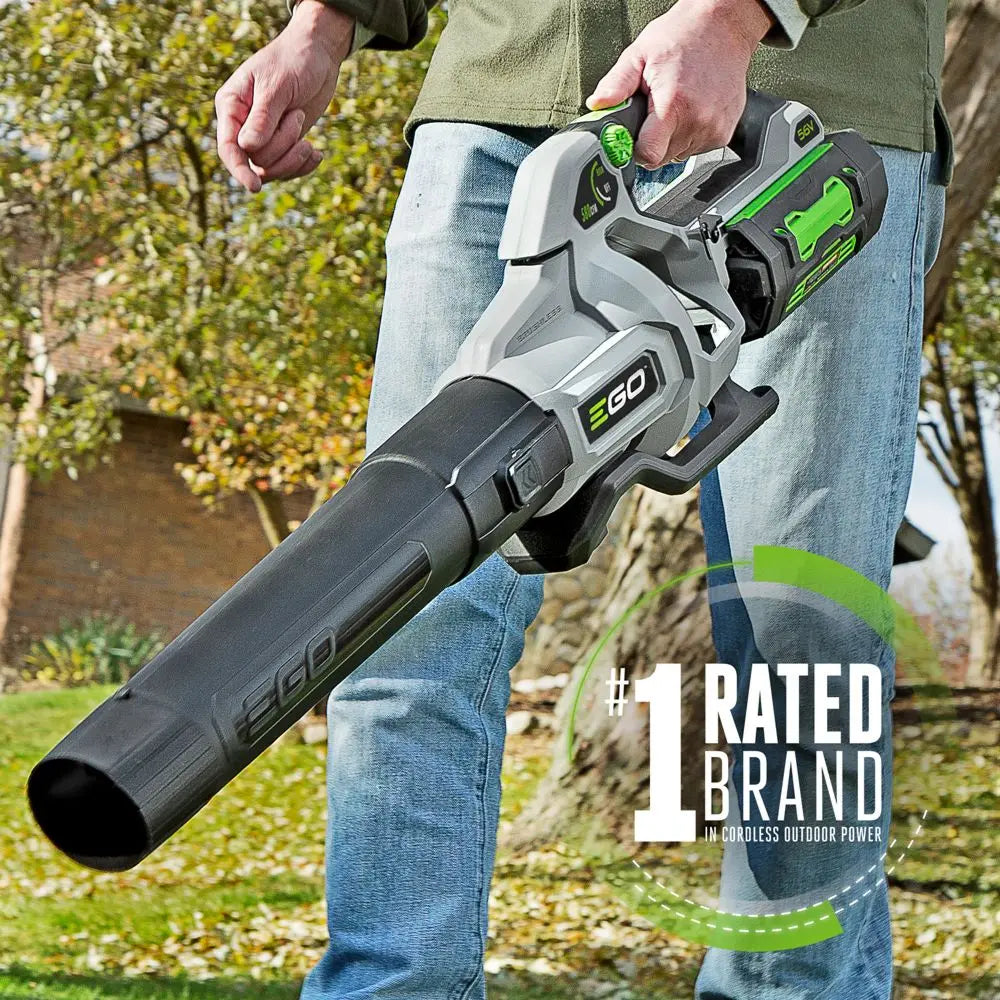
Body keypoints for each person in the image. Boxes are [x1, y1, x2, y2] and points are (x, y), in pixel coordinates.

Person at [215, 1, 950, 996]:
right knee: (404, 610)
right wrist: (327, 24)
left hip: (807, 99)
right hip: (513, 90)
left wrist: (734, 14)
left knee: (800, 641)